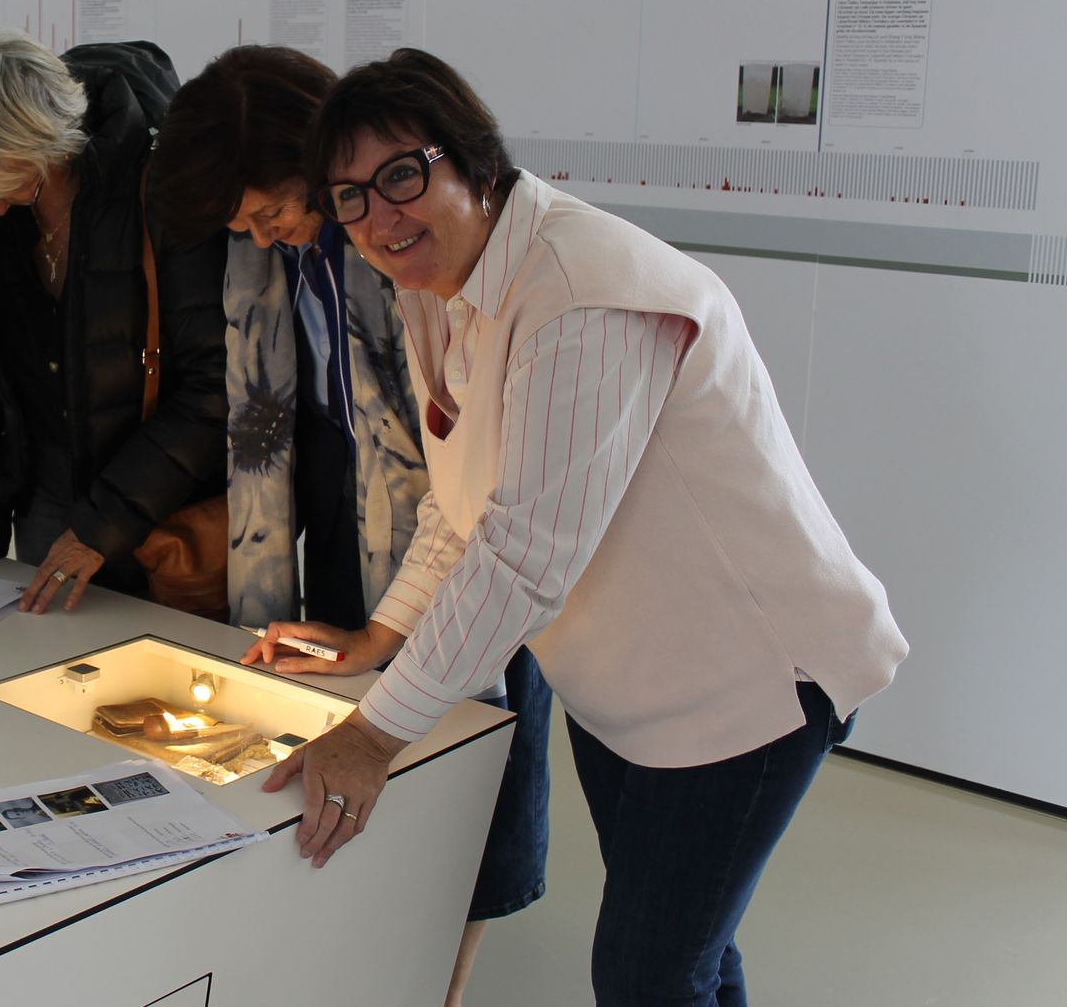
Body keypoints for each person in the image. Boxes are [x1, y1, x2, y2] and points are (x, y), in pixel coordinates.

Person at [246, 49, 908, 1006]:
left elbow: (523, 553)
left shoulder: (581, 290)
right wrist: (381, 634)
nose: (380, 218)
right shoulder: (440, 285)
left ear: (474, 162)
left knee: (649, 975)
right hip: (631, 683)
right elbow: (464, 498)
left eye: (401, 176)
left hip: (751, 686)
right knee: (690, 955)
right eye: (349, 197)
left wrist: (376, 732)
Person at [149, 45, 550, 1007]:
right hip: (343, 509)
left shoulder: (409, 243)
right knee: (341, 738)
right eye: (243, 226)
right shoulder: (283, 247)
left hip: (463, 528)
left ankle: (442, 982)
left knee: (462, 756)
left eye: (265, 212)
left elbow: (479, 487)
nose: (260, 235)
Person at [0, 32, 227, 613]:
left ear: (56, 143)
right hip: (43, 513)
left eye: (17, 184)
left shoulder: (157, 187)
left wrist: (104, 524)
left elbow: (213, 386)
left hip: (166, 519)